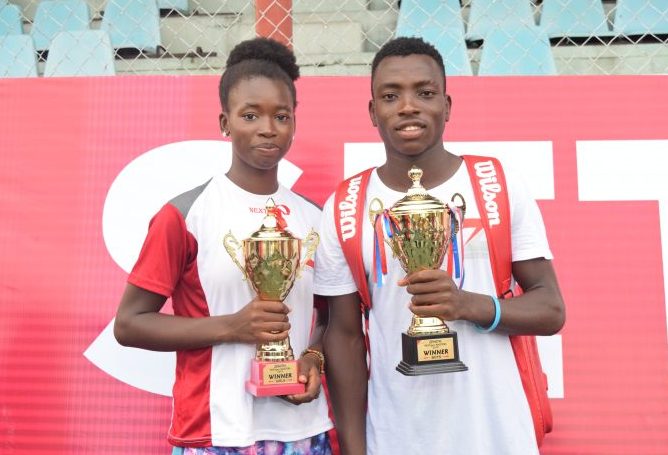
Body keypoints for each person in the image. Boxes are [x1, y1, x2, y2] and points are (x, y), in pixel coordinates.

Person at [314, 37, 566, 454]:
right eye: (390, 96)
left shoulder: (496, 184)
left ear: (447, 106)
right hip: (397, 438)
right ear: (372, 112)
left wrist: (467, 305)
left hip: (498, 436)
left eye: (425, 93)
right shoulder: (346, 205)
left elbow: (551, 309)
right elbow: (344, 337)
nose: (408, 106)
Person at [114, 37, 333, 455]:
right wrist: (233, 326)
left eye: (281, 116)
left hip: (302, 431)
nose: (268, 128)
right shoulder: (185, 215)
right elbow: (129, 324)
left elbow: (330, 317)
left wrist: (313, 358)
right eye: (250, 115)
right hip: (214, 432)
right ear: (225, 123)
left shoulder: (315, 218)